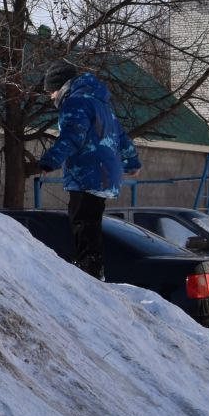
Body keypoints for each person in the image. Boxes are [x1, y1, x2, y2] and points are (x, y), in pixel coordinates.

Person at [35, 59, 141, 280]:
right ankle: (93, 266)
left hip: (88, 172)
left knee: (81, 219)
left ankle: (88, 267)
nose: (51, 97)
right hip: (106, 174)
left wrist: (49, 161)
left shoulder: (74, 103)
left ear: (60, 86)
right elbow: (122, 138)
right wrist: (132, 163)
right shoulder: (101, 104)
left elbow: (72, 136)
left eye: (51, 91)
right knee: (91, 220)